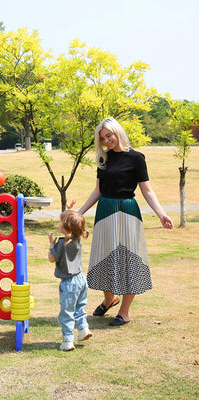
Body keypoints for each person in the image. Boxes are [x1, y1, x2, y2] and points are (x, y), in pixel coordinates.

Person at [78, 117, 173, 326]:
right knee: (103, 258)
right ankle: (109, 299)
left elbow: (146, 190)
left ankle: (125, 312)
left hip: (127, 211)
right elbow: (98, 190)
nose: (106, 141)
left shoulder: (137, 158)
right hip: (105, 210)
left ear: (117, 132)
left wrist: (161, 214)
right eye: (102, 138)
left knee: (130, 260)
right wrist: (80, 212)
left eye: (109, 135)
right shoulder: (103, 159)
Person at [48, 210, 92, 351]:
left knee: (66, 312)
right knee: (79, 307)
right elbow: (76, 223)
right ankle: (84, 328)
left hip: (69, 283)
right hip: (81, 279)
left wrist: (51, 245)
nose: (58, 223)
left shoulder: (61, 244)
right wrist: (70, 208)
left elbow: (51, 258)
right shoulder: (78, 238)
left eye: (61, 222)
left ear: (65, 227)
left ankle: (67, 341)